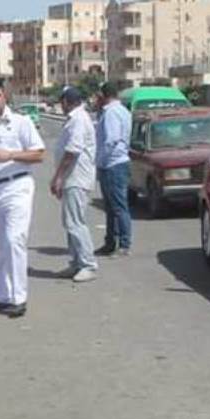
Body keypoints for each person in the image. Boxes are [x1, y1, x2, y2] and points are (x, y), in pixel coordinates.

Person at [0, 78, 45, 318]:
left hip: (17, 186)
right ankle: (3, 296)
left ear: (5, 97)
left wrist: (10, 155)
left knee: (15, 240)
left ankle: (19, 297)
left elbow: (39, 154)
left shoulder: (21, 122)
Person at [51, 86, 98, 282]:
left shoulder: (79, 119)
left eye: (62, 101)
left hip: (76, 178)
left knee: (76, 222)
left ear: (66, 101)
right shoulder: (75, 118)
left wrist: (58, 177)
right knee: (70, 222)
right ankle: (77, 262)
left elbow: (72, 151)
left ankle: (88, 264)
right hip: (72, 178)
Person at [95, 82, 133, 257]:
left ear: (104, 95)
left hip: (112, 164)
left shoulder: (111, 113)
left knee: (118, 207)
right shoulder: (123, 110)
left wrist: (100, 161)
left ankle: (124, 244)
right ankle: (110, 242)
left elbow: (111, 140)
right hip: (118, 162)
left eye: (98, 95)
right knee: (111, 207)